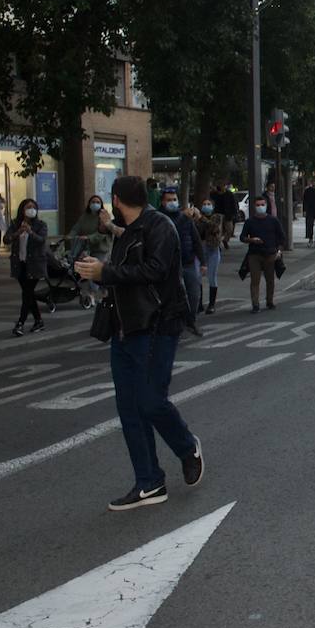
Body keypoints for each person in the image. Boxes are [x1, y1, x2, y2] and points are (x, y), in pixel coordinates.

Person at [74, 175, 204, 511]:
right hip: (125, 327)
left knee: (149, 401)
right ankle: (149, 482)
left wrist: (105, 273)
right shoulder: (128, 230)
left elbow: (155, 270)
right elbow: (127, 257)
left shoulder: (159, 227)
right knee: (129, 408)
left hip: (157, 325)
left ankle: (187, 446)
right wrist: (99, 270)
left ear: (116, 199)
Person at [160, 187, 205, 336]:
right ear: (162, 202)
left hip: (189, 263)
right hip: (171, 266)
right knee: (176, 298)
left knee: (194, 295)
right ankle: (177, 327)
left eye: (174, 200)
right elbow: (171, 232)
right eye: (169, 200)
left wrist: (203, 261)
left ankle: (190, 321)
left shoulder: (185, 218)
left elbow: (196, 240)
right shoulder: (159, 218)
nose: (172, 203)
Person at [5, 199, 48, 336]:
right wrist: (18, 232)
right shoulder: (15, 224)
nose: (31, 210)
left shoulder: (40, 225)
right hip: (20, 264)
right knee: (28, 294)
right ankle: (38, 321)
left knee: (27, 294)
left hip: (35, 264)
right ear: (22, 210)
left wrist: (30, 232)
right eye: (28, 207)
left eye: (34, 207)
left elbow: (41, 240)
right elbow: (6, 239)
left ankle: (20, 323)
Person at [239, 193, 285, 313]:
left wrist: (279, 251)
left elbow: (281, 237)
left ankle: (270, 301)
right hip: (255, 254)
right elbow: (242, 237)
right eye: (258, 205)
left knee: (270, 279)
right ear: (254, 207)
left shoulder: (273, 220)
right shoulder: (250, 222)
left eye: (262, 204)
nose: (260, 207)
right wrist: (251, 239)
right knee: (255, 280)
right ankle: (255, 304)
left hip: (270, 254)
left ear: (266, 205)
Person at [196, 196, 226, 314]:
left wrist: (201, 217)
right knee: (198, 277)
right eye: (204, 204)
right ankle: (199, 303)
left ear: (213, 207)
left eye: (209, 204)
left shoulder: (217, 217)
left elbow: (214, 228)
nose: (206, 206)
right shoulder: (197, 219)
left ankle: (211, 304)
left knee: (212, 276)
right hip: (200, 249)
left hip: (212, 249)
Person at [210, 182, 239, 249]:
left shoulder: (229, 194)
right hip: (218, 214)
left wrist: (234, 213)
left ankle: (225, 240)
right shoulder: (214, 194)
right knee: (218, 230)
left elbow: (233, 204)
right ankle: (218, 244)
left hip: (228, 214)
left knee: (230, 229)